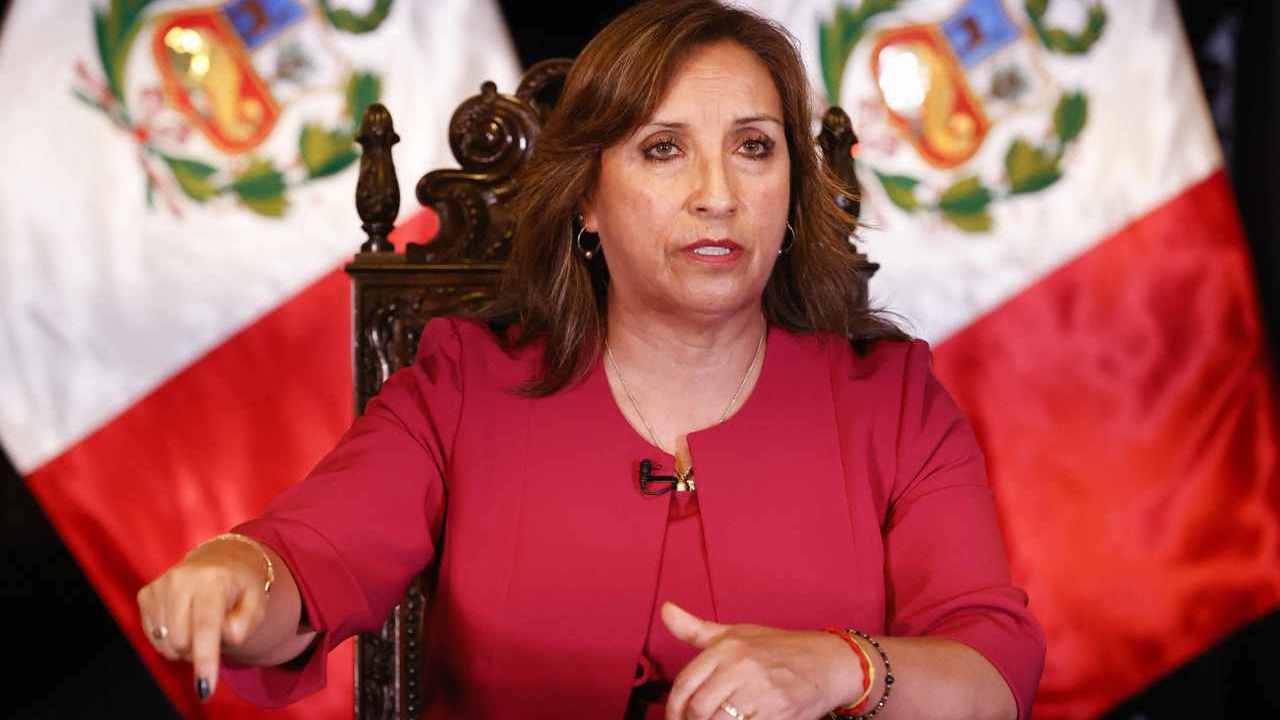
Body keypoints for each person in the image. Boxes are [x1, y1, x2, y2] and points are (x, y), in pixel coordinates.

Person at [136, 1, 1045, 718]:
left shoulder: (891, 399)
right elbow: (303, 566)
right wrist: (232, 578)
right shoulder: (466, 384)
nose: (718, 195)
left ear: (791, 194)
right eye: (663, 150)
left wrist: (842, 668)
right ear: (587, 203)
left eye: (753, 148)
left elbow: (993, 675)